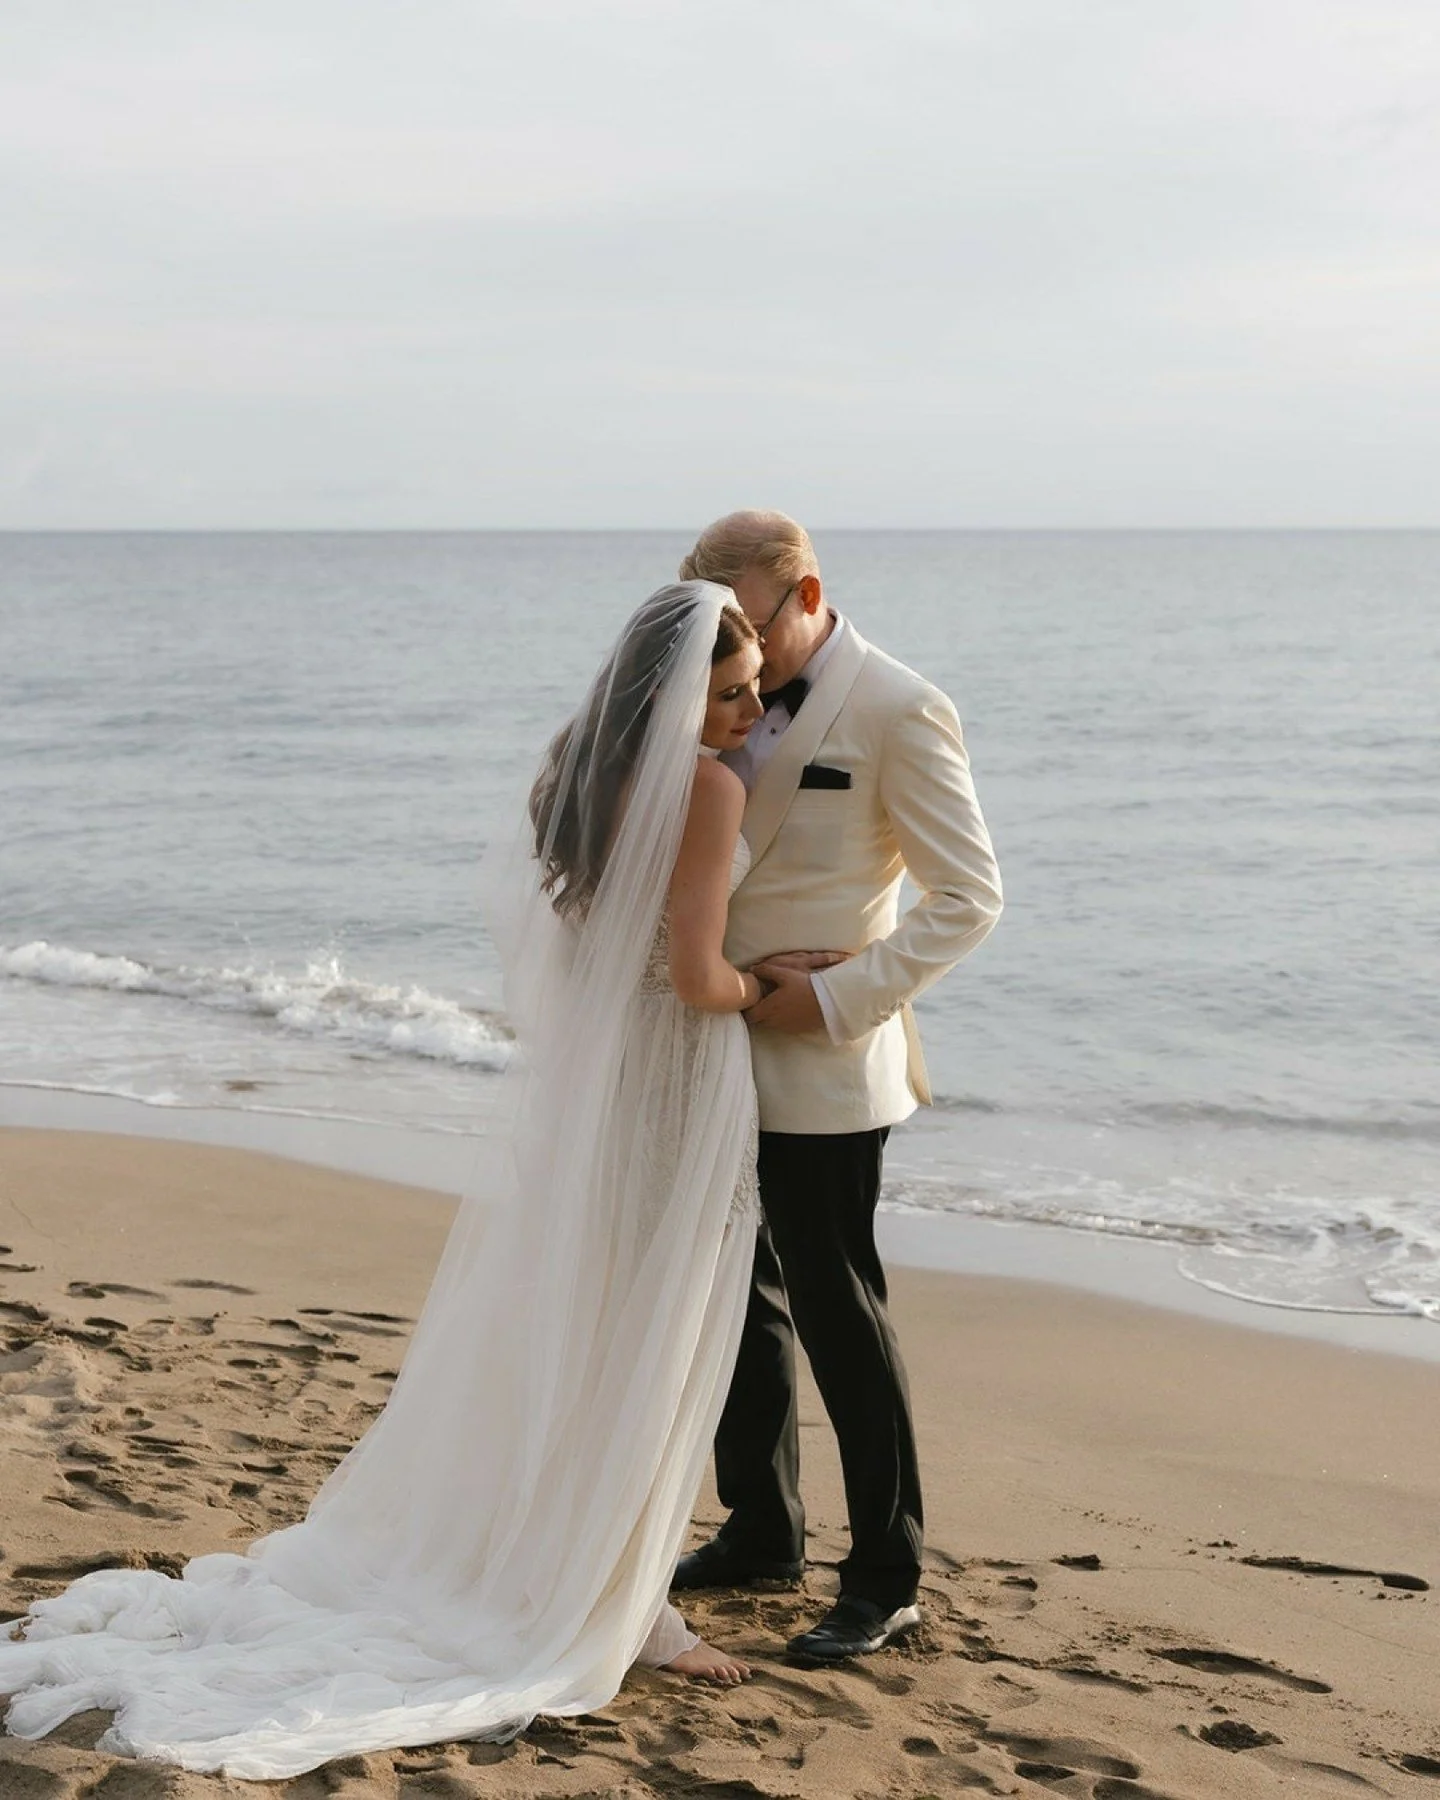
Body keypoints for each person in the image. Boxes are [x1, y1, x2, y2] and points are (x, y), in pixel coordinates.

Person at [0, 584, 780, 1781]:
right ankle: (625, 1608)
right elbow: (695, 975)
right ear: (675, 695)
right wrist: (785, 982)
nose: (748, 707)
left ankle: (593, 1576)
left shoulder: (577, 771)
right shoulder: (708, 789)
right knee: (653, 1343)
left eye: (752, 687)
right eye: (728, 692)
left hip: (605, 1093)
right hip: (676, 1084)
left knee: (593, 1332)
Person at [670, 511, 1003, 1662]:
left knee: (838, 1312)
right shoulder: (713, 697)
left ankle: (888, 1575)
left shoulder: (900, 707)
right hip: (711, 1050)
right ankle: (762, 1528)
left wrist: (836, 994)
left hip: (825, 1056)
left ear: (808, 594)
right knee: (736, 1303)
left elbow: (970, 899)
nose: (734, 645)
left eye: (750, 619)